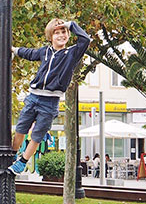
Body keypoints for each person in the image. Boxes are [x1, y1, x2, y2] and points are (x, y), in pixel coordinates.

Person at [8, 19, 90, 175]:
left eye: (63, 32)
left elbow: (85, 39)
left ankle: (22, 162)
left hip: (50, 102)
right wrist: (13, 49)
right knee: (20, 129)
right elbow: (29, 53)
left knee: (37, 136)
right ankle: (11, 155)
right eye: (56, 33)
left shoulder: (71, 54)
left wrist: (70, 24)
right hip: (33, 97)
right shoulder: (44, 51)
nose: (61, 35)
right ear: (50, 37)